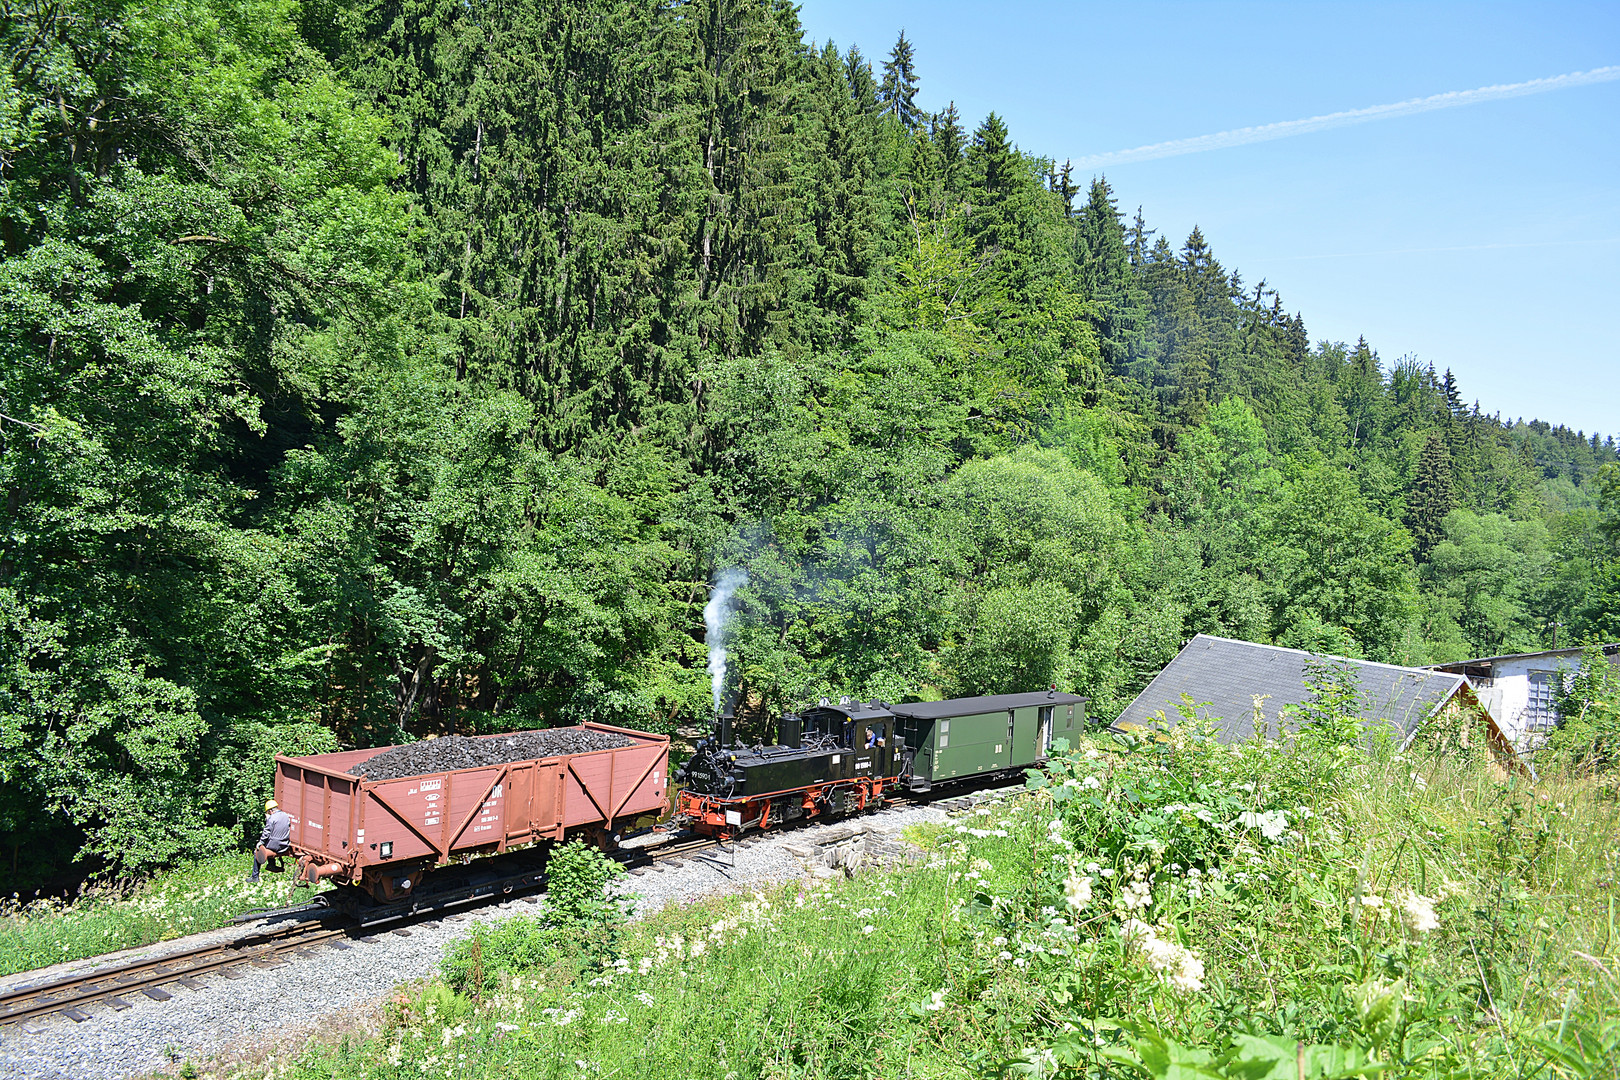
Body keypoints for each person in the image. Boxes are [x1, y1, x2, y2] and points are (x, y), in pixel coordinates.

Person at [250, 799, 293, 883]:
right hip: (285, 844)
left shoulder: (271, 818)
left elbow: (266, 832)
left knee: (257, 852)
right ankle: (271, 865)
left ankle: (255, 876)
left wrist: (260, 842)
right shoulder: (285, 815)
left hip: (275, 845)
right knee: (270, 842)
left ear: (270, 811)